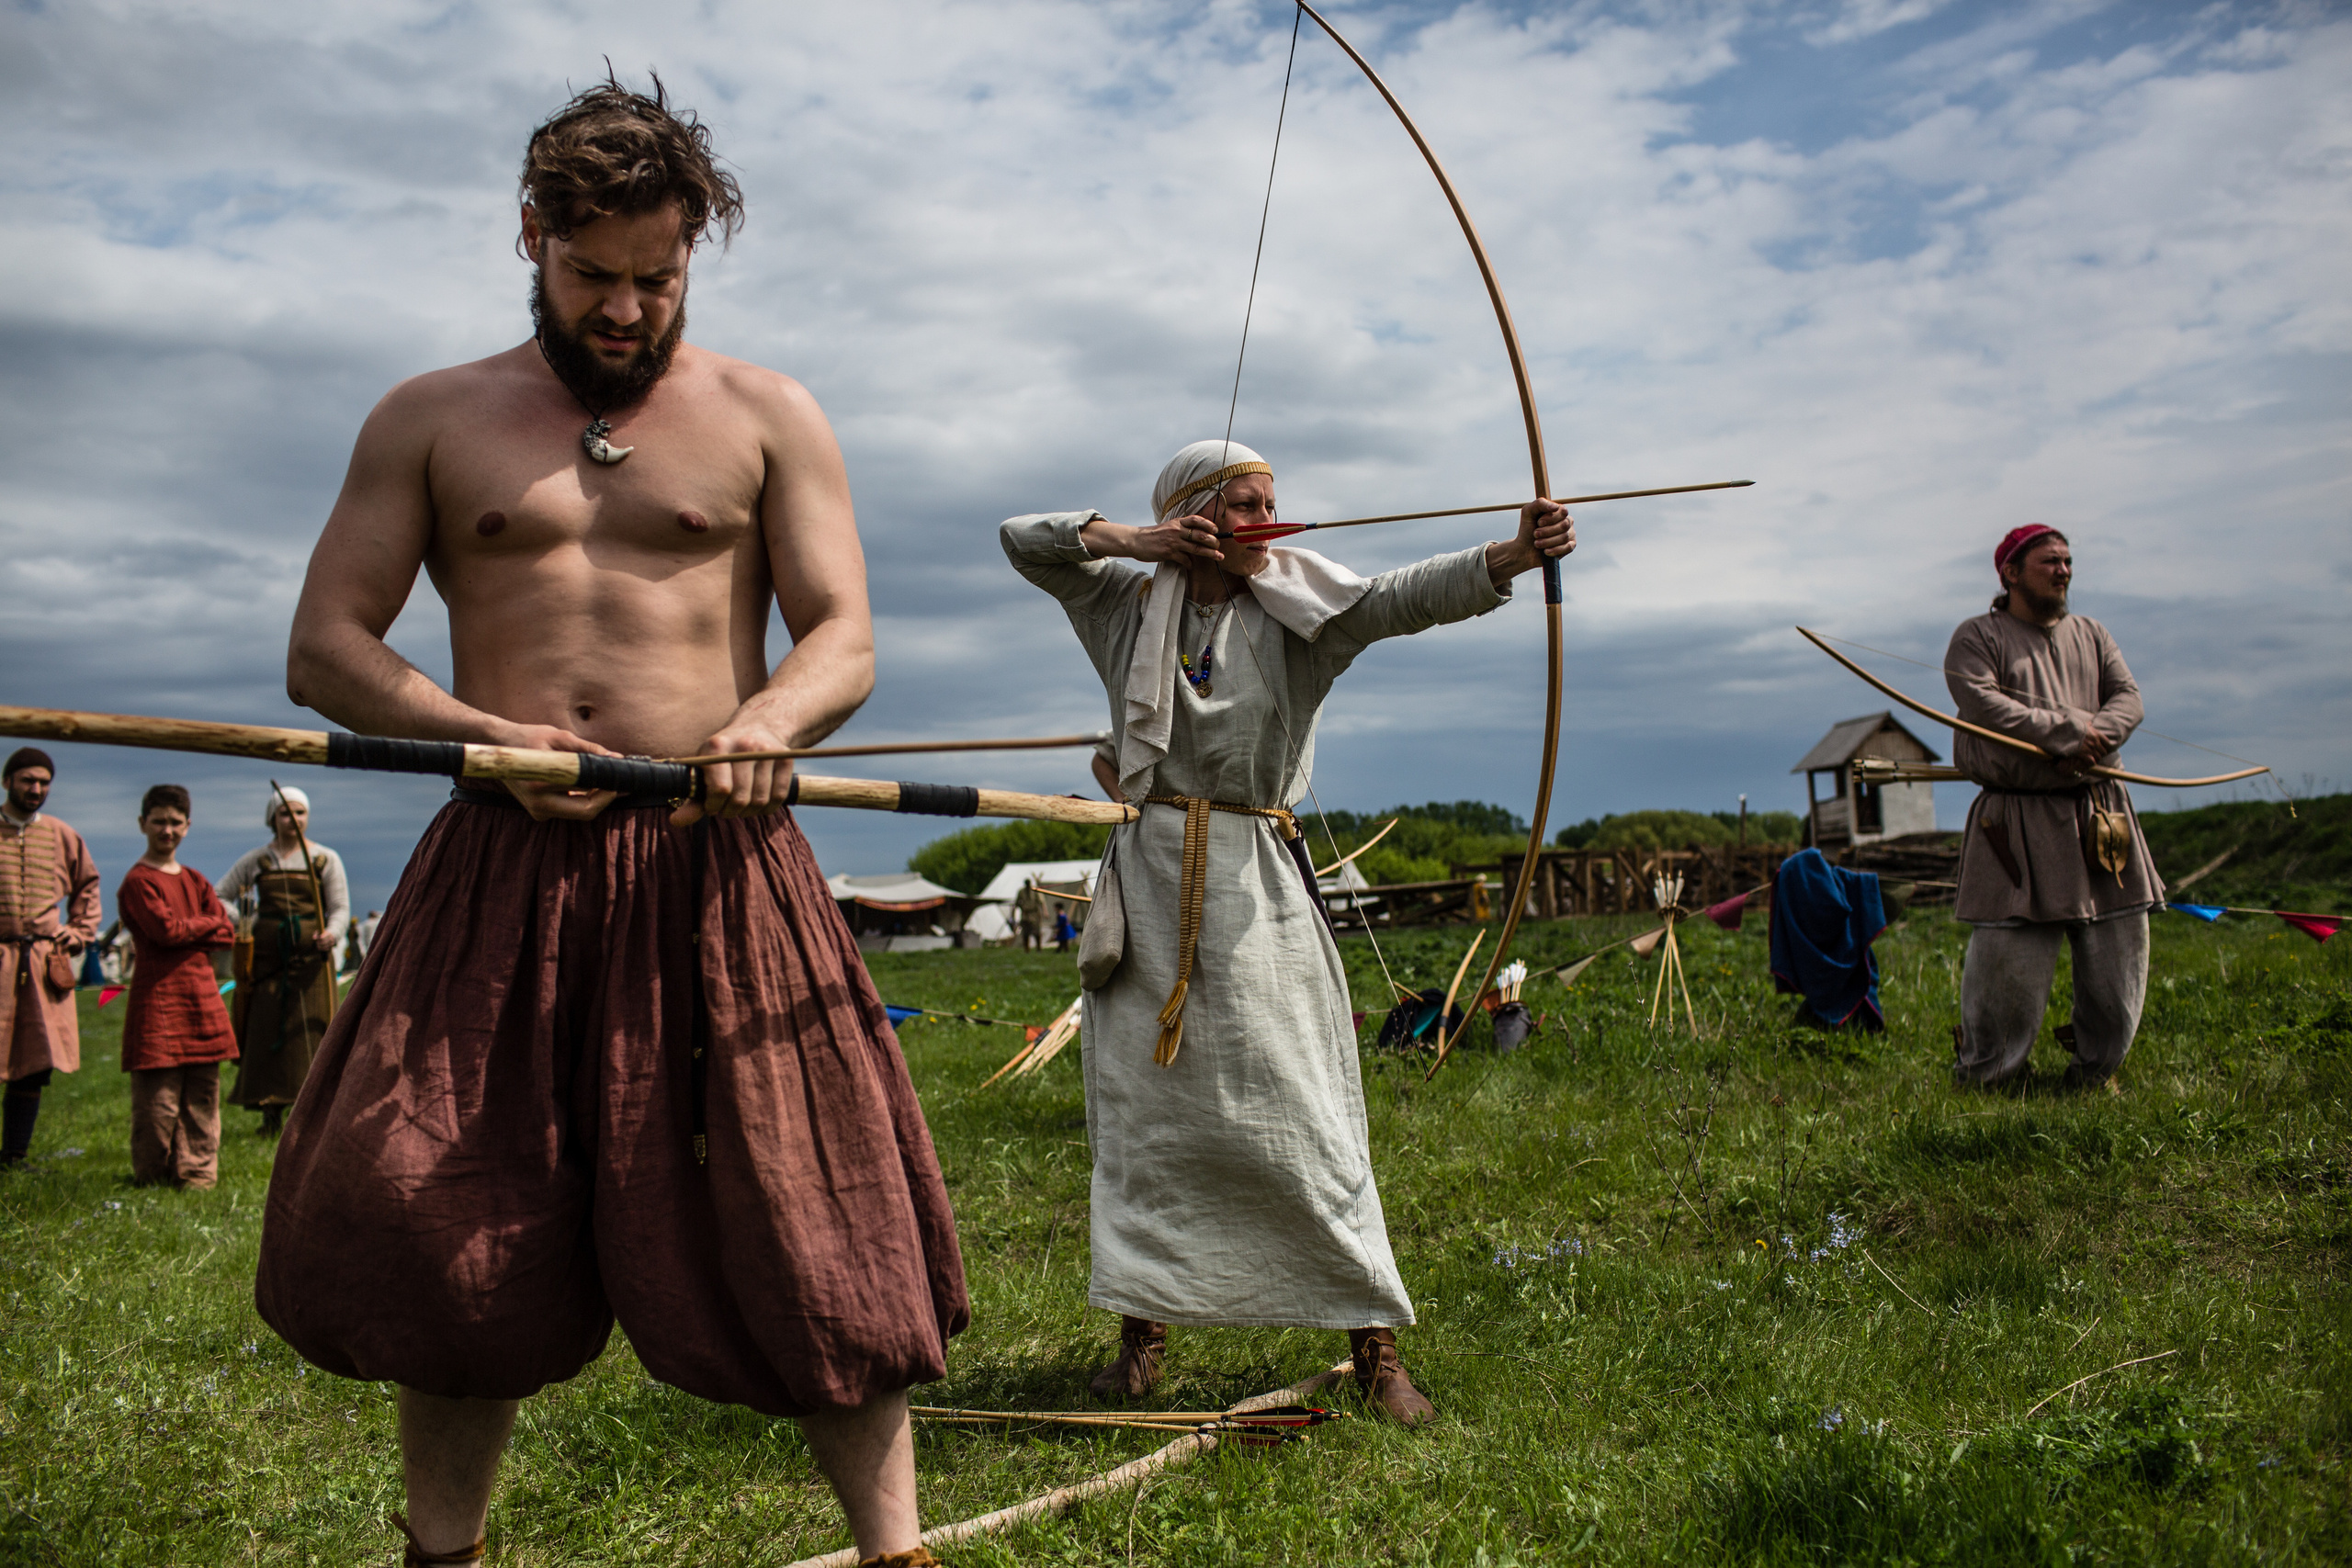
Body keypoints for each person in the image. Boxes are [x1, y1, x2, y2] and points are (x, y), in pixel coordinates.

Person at [256, 76, 963, 1568]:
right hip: (500, 866)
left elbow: (844, 631)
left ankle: (898, 1554)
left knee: (818, 1217)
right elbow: (329, 645)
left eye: (659, 277)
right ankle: (439, 1553)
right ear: (532, 236)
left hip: (723, 858)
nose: (629, 307)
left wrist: (770, 724)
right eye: (596, 277)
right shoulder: (433, 417)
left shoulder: (771, 414)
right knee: (449, 1217)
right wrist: (482, 736)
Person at [1001, 439, 1574, 1425]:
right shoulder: (1124, 607)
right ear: (1188, 515)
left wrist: (1512, 557)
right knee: (1147, 1126)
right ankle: (1142, 1340)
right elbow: (1026, 542)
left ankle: (1372, 1349)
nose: (1267, 516)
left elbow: (1402, 596)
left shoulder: (1299, 612)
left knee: (1307, 1112)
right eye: (1241, 503)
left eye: (1272, 499)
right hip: (1145, 886)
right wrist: (1136, 541)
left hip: (1255, 882)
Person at [1947, 525, 2165, 1091]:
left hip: (2100, 813)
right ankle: (1991, 1077)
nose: (2064, 570)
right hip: (2015, 818)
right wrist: (2061, 731)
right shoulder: (1977, 636)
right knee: (2007, 957)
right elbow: (1981, 702)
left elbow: (2129, 698)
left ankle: (2095, 1073)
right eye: (2049, 561)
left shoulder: (2092, 634)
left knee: (2118, 950)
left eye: (2068, 561)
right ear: (2011, 573)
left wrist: (2090, 738)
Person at [116, 785, 239, 1189]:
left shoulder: (195, 879)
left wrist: (196, 929)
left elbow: (226, 932)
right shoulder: (137, 882)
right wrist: (205, 926)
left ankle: (198, 1174)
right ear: (142, 824)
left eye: (175, 822)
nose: (167, 830)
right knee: (158, 1099)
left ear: (187, 827)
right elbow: (166, 931)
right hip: (158, 1000)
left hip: (201, 996)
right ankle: (153, 1175)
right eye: (159, 821)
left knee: (203, 1094)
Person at [218, 786, 349, 1136]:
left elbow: (339, 908)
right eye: (284, 813)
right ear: (272, 819)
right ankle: (269, 1112)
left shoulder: (325, 859)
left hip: (311, 963)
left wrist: (331, 934)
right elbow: (219, 897)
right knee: (266, 1029)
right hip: (267, 961)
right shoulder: (257, 861)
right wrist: (249, 919)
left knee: (313, 1030)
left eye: (300, 812)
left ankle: (312, 1113)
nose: (293, 820)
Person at [0, 748, 101, 1168]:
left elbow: (88, 887)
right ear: (8, 781)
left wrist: (77, 932)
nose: (36, 789)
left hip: (43, 963)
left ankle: (13, 1155)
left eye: (43, 782)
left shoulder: (62, 834)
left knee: (34, 1062)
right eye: (27, 780)